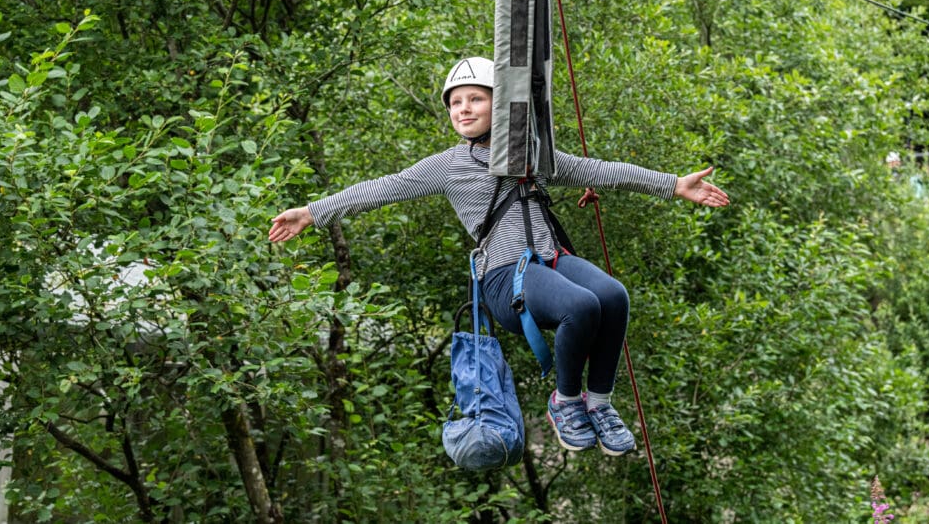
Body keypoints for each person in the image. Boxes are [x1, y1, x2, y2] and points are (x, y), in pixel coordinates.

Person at [269, 56, 730, 457]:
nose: (464, 110)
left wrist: (672, 184)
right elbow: (380, 189)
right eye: (456, 102)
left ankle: (599, 403)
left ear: (501, 106)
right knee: (581, 305)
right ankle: (565, 402)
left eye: (475, 99)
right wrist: (312, 212)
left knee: (613, 295)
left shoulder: (534, 154)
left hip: (549, 260)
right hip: (504, 276)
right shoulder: (447, 165)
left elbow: (599, 170)